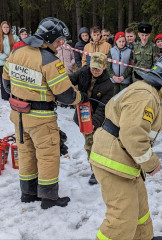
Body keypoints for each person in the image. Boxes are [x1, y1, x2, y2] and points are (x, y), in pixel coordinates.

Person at [89, 54, 162, 240]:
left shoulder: (149, 93)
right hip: (113, 161)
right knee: (122, 218)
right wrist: (151, 164)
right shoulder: (146, 97)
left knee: (140, 207)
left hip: (124, 158)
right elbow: (133, 137)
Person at [1, 17, 88, 209]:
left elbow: (6, 84)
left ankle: (28, 193)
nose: (60, 44)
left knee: (26, 154)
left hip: (18, 116)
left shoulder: (16, 51)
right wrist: (80, 97)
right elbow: (65, 95)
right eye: (59, 40)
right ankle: (49, 198)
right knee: (47, 156)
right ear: (49, 38)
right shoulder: (49, 60)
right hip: (41, 119)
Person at [70, 52, 113, 184]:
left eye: (98, 68)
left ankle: (99, 169)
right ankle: (94, 170)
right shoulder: (84, 72)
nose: (94, 71)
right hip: (82, 113)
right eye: (93, 68)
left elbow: (103, 107)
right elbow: (68, 80)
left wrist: (93, 123)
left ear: (104, 67)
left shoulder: (108, 85)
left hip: (97, 117)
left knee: (98, 144)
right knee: (89, 144)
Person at [0, 21, 19, 100]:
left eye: (7, 27)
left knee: (13, 79)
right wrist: (5, 58)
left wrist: (12, 57)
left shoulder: (14, 37)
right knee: (4, 80)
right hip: (2, 63)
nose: (6, 29)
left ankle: (15, 95)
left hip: (13, 62)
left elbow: (18, 48)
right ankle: (5, 97)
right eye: (4, 27)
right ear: (1, 28)